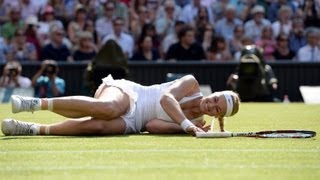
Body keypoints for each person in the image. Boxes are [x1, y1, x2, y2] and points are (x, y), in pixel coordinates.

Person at [1, 74, 240, 136]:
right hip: (131, 93)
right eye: (216, 98)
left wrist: (187, 129)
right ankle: (34, 103)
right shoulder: (191, 83)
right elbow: (165, 99)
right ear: (215, 92)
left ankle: (30, 128)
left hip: (136, 122)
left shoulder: (197, 124)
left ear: (217, 116)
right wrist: (187, 125)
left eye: (217, 109)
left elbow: (152, 125)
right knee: (108, 109)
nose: (212, 104)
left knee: (97, 128)